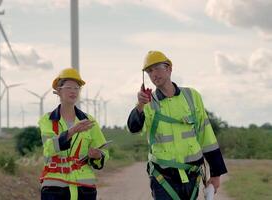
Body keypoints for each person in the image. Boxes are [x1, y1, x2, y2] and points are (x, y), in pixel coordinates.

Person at [127, 51, 227, 200]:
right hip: (163, 178)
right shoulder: (148, 103)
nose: (153, 74)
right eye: (149, 71)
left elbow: (207, 136)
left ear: (169, 68)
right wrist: (140, 105)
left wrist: (216, 173)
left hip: (192, 176)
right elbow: (133, 128)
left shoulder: (192, 96)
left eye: (157, 68)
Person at [39, 68, 109, 200]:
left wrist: (98, 155)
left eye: (77, 88)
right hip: (55, 188)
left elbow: (103, 150)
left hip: (84, 187)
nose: (73, 91)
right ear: (58, 91)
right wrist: (72, 131)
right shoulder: (47, 120)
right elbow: (48, 148)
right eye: (69, 87)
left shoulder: (89, 121)